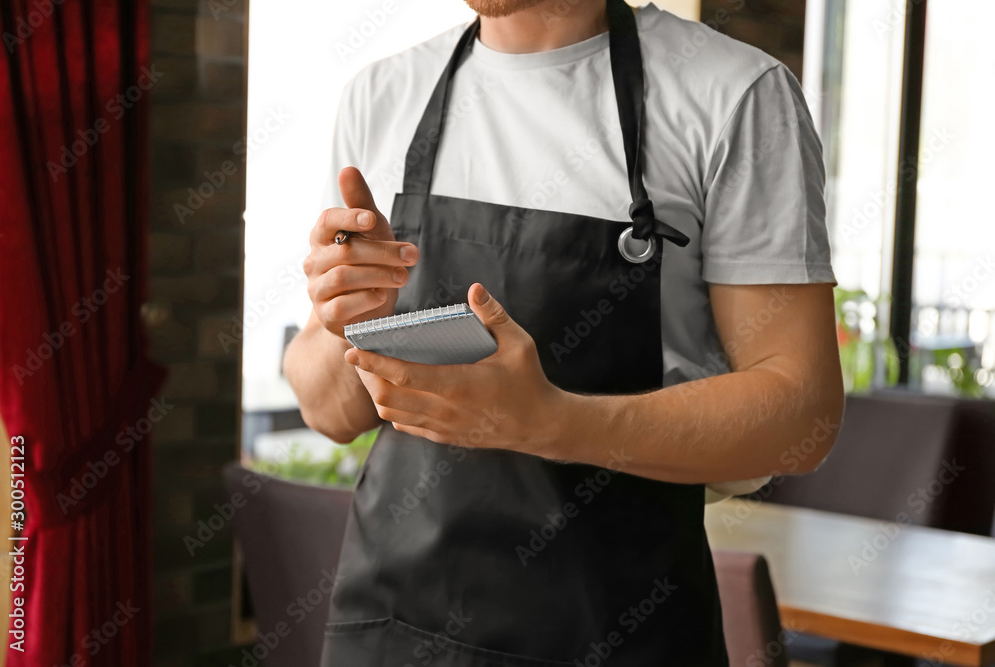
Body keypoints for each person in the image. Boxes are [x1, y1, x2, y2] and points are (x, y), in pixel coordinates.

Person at [284, 0, 844, 664]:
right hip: (398, 633)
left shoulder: (732, 97)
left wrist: (551, 421)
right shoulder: (383, 95)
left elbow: (801, 412)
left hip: (620, 632)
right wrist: (343, 315)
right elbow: (331, 411)